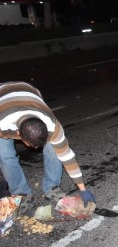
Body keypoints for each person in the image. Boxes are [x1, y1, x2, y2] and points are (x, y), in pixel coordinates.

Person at [0, 81, 96, 214]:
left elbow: (68, 158)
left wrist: (83, 189)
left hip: (30, 91)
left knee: (54, 148)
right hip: (2, 99)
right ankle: (20, 192)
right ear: (18, 134)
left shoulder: (52, 126)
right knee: (4, 154)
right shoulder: (2, 125)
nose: (35, 148)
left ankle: (51, 187)